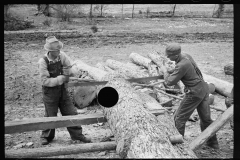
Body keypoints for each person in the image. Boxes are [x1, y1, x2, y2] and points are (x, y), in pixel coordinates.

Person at [161, 43, 219, 149]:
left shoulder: (181, 65)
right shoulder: (186, 55)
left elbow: (169, 82)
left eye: (169, 55)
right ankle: (213, 143)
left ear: (176, 55)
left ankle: (179, 148)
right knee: (206, 119)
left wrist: (165, 71)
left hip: (194, 93)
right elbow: (191, 70)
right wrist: (172, 71)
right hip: (203, 88)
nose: (168, 57)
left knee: (178, 118)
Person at [38, 36, 91, 145]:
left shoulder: (62, 56)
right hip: (49, 93)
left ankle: (77, 135)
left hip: (62, 90)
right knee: (50, 115)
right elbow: (44, 81)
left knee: (70, 112)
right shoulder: (43, 62)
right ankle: (46, 136)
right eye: (56, 50)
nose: (59, 51)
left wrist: (69, 72)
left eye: (59, 49)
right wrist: (61, 79)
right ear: (50, 51)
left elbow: (69, 67)